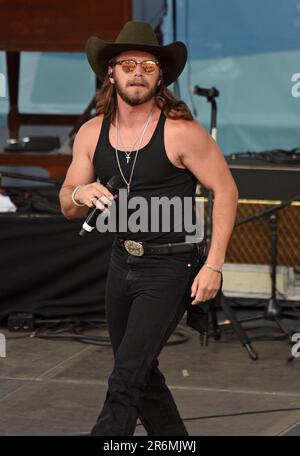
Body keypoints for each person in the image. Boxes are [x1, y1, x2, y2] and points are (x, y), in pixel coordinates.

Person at [59, 21, 238, 436]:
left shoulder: (181, 132)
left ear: (160, 76)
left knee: (124, 381)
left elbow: (226, 192)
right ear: (111, 73)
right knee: (140, 374)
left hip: (171, 267)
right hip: (122, 262)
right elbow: (67, 203)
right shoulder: (90, 133)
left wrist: (213, 265)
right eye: (128, 65)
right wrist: (82, 191)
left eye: (147, 65)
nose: (137, 72)